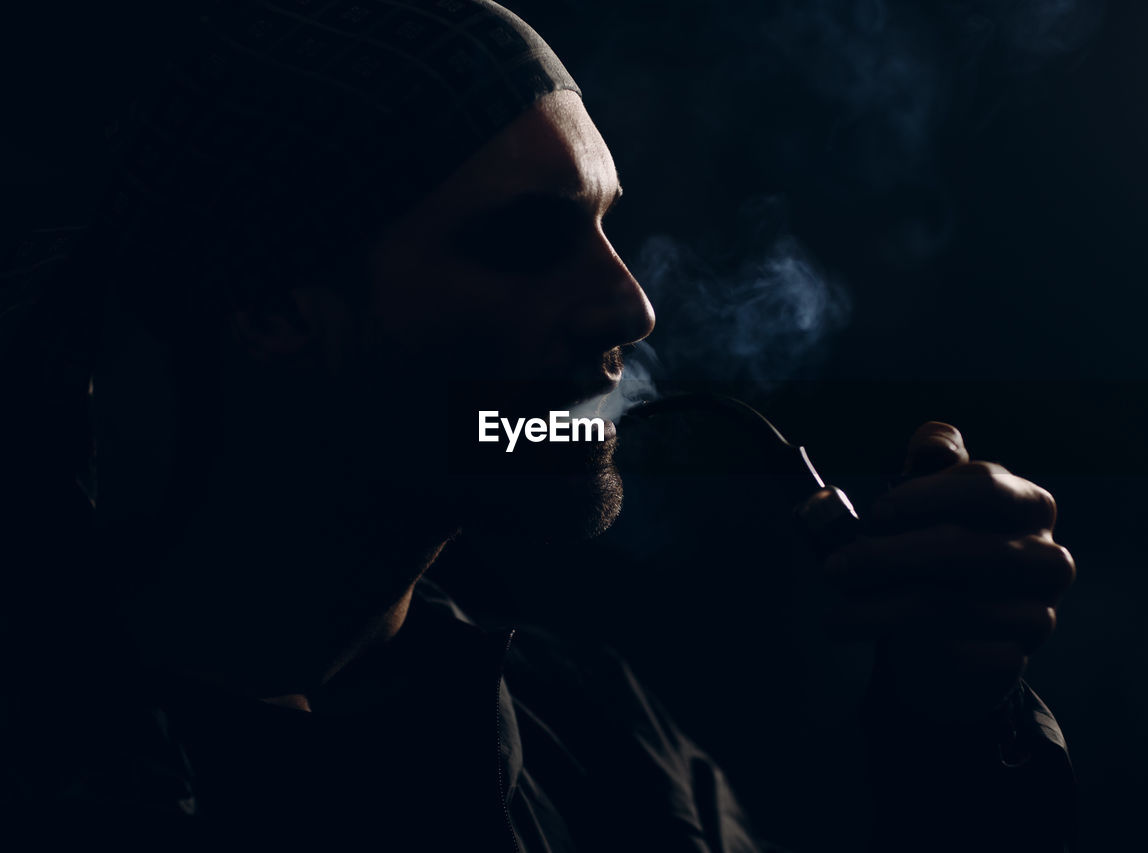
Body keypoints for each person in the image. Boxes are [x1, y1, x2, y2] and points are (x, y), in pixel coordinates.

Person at [0, 1, 1076, 849]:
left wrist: (950, 724)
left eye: (608, 230)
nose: (630, 308)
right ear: (274, 306)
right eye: (526, 241)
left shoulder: (594, 740)